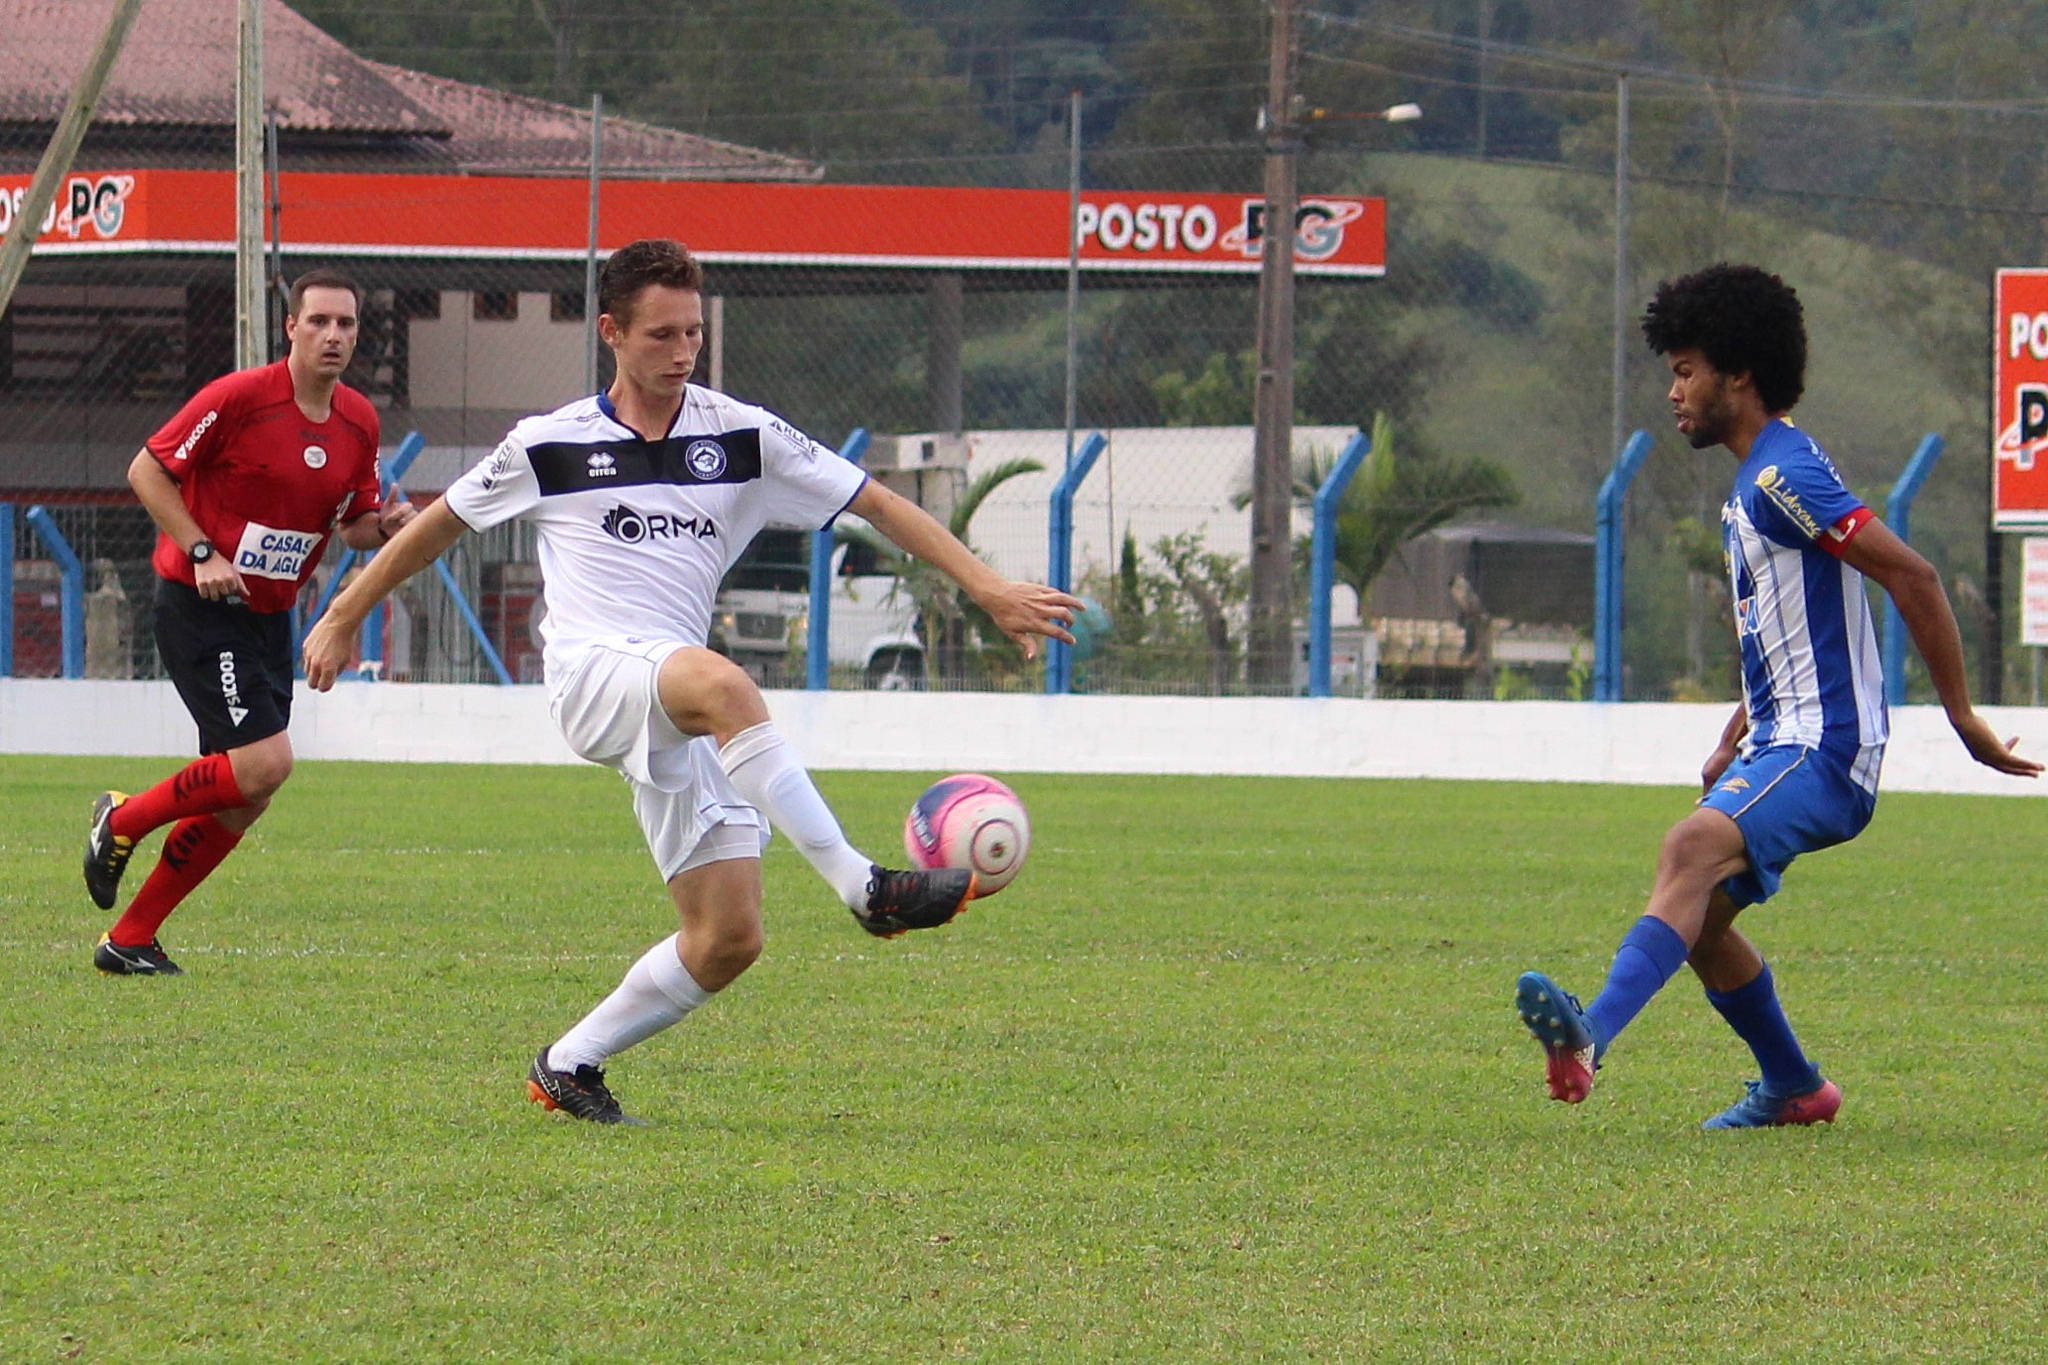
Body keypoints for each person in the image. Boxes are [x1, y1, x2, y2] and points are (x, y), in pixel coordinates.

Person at [303, 237, 1083, 1125]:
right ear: (611, 333)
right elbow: (435, 528)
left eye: (694, 334)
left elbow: (875, 501)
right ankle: (864, 887)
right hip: (594, 678)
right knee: (727, 686)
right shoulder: (551, 444)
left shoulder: (742, 433)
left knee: (728, 936)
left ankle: (568, 1065)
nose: (682, 353)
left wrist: (986, 585)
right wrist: (339, 613)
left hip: (674, 697)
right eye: (662, 335)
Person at [1515, 263, 2041, 1128]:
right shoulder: (1757, 480)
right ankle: (1796, 1087)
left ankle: (1589, 1036)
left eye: (1686, 370)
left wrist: (1963, 719)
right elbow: (1788, 634)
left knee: (1688, 850)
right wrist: (1738, 726)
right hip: (1782, 740)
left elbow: (1913, 576)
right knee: (1698, 921)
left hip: (1824, 749)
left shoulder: (1782, 477)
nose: (1674, 391)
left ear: (1740, 374)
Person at [83, 269, 417, 975]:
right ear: (290, 327)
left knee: (246, 794)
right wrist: (202, 550)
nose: (333, 335)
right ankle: (123, 818)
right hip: (201, 607)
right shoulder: (238, 398)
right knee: (266, 764)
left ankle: (131, 937)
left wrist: (384, 524)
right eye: (319, 321)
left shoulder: (359, 419)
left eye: (346, 325)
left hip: (270, 619)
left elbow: (353, 523)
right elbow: (147, 469)